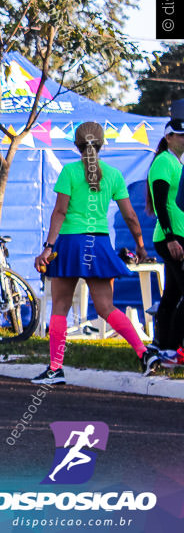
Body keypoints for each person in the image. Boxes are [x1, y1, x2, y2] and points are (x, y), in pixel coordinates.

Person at [34, 122, 160, 384]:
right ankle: (144, 352)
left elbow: (59, 212)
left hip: (69, 243)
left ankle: (56, 368)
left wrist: (48, 247)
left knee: (60, 306)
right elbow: (130, 216)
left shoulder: (69, 171)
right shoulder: (114, 175)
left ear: (76, 146)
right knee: (106, 307)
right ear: (102, 145)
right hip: (98, 243)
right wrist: (140, 246)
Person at [147, 120, 184, 360]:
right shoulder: (163, 161)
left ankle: (159, 345)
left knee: (171, 293)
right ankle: (171, 348)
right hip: (171, 237)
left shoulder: (176, 163)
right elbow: (160, 202)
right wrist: (170, 237)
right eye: (180, 135)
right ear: (168, 137)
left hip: (178, 235)